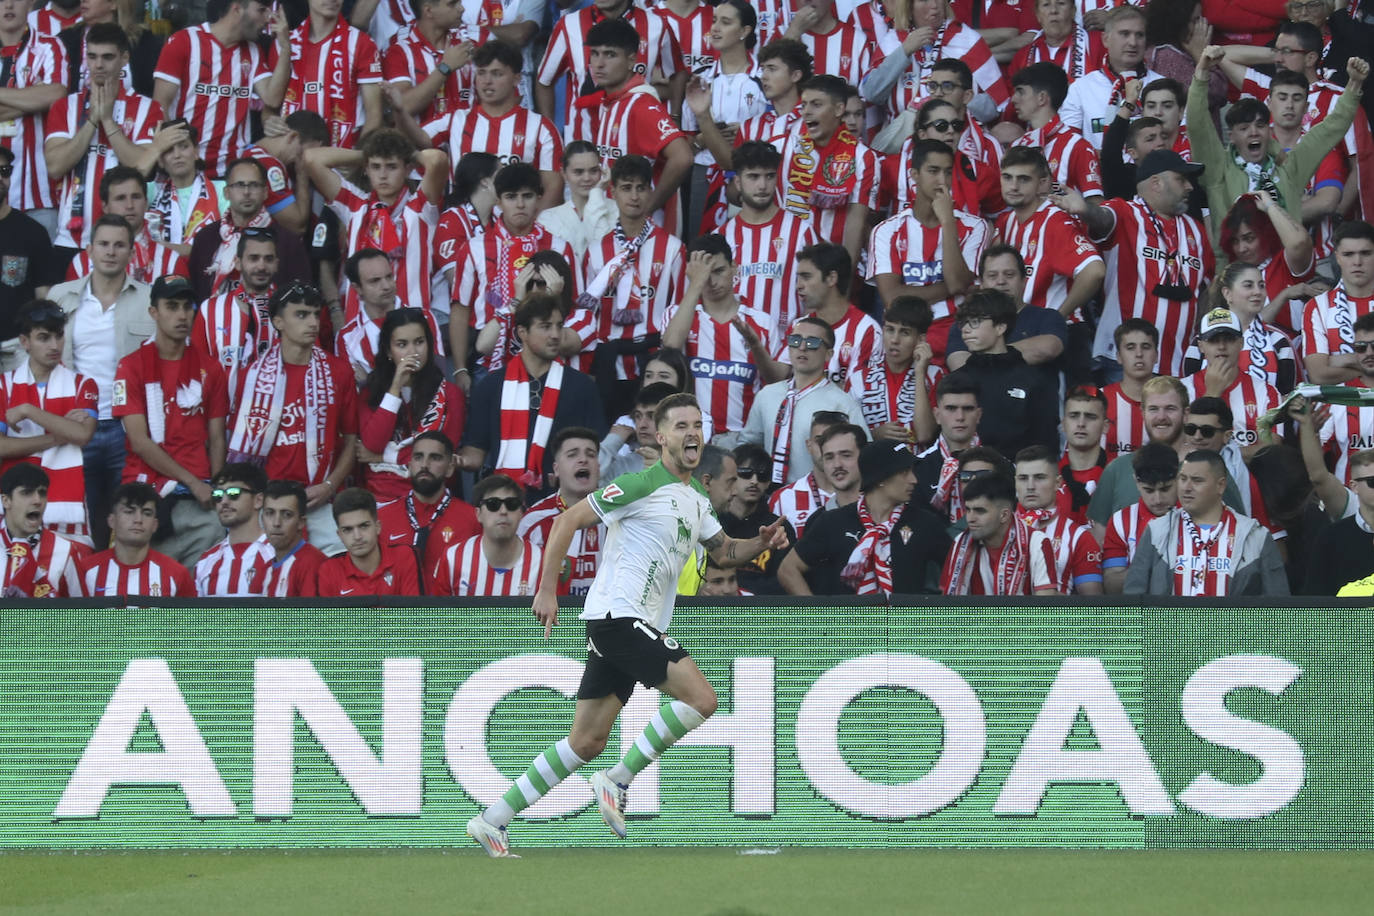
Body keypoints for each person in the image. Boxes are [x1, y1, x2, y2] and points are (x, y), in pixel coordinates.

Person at [465, 393, 788, 858]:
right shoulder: (639, 484)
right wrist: (548, 590)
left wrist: (759, 540)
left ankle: (492, 818)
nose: (692, 432)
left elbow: (722, 552)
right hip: (618, 617)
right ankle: (618, 778)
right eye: (680, 426)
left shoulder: (696, 499)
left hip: (627, 625)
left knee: (587, 740)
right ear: (661, 437)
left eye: (697, 424)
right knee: (703, 698)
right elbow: (567, 522)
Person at [1054, 150, 1214, 379]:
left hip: (1179, 364)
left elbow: (1206, 289)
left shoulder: (1195, 230)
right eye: (1181, 179)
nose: (1189, 187)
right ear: (1156, 183)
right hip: (1121, 362)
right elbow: (1103, 219)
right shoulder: (1126, 212)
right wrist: (1085, 210)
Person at [227, 282, 357, 556]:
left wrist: (329, 486)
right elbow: (239, 452)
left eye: (314, 314)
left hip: (318, 502)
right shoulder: (252, 376)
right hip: (268, 505)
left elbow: (351, 439)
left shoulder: (339, 372)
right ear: (278, 321)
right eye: (301, 315)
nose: (312, 322)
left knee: (335, 579)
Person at [48, 214, 154, 549]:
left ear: (131, 251)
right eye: (104, 245)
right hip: (77, 425)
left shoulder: (149, 299)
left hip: (129, 428)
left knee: (128, 522)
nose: (111, 252)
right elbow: (42, 361)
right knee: (81, 523)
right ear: (90, 250)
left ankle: (123, 596)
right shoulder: (60, 296)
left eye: (119, 245)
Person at [1188, 47, 1368, 240]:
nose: (1253, 132)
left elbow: (1332, 128)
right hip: (1231, 267)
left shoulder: (1292, 166)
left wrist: (1354, 84)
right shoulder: (1219, 167)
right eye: (1244, 128)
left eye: (1259, 125)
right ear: (1231, 135)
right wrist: (1201, 74)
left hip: (1285, 262)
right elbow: (1198, 126)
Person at [113, 274, 230, 567]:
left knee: (199, 600)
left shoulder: (211, 368)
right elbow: (139, 442)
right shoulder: (130, 366)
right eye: (172, 306)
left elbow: (217, 437)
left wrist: (215, 490)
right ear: (153, 312)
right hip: (147, 496)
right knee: (142, 596)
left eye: (187, 307)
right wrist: (191, 482)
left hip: (199, 502)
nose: (181, 315)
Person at [45, 23, 172, 260]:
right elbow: (55, 166)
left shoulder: (148, 109)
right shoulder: (65, 106)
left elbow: (139, 169)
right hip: (71, 239)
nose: (98, 65)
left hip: (124, 243)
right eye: (92, 57)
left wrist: (107, 121)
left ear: (124, 58)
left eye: (107, 57)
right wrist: (92, 120)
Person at [571, 156, 686, 417]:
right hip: (608, 364)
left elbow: (678, 309)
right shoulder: (597, 251)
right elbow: (587, 315)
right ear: (612, 192)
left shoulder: (672, 249)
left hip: (654, 362)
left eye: (641, 188)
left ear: (650, 191)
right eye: (626, 187)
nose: (634, 196)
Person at [460, 293, 606, 486]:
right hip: (507, 504)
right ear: (522, 332)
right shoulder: (491, 386)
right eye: (545, 326)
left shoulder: (582, 386)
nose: (556, 335)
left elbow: (597, 450)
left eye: (559, 326)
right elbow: (475, 453)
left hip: (563, 503)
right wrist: (452, 460)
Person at [449, 162, 577, 380]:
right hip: (488, 362)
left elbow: (573, 308)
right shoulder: (473, 248)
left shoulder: (560, 247)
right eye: (510, 197)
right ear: (498, 201)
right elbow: (460, 312)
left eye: (527, 196)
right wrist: (460, 369)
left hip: (547, 361)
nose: (520, 204)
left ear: (539, 198)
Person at [780, 438, 949, 596]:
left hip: (904, 626)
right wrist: (819, 619)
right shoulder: (832, 522)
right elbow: (788, 569)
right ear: (881, 477)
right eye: (905, 472)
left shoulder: (925, 523)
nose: (914, 480)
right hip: (849, 626)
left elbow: (957, 567)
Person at [306, 129, 448, 317]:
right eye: (375, 166)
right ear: (366, 169)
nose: (382, 175)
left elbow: (437, 160)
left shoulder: (420, 207)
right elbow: (311, 159)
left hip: (411, 325)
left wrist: (405, 151)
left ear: (407, 169)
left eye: (391, 166)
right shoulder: (356, 206)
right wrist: (367, 153)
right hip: (361, 327)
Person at [866, 139, 985, 360]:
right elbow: (893, 298)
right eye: (933, 171)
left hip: (957, 333)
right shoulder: (886, 231)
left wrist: (948, 222)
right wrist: (951, 288)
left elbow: (958, 282)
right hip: (906, 336)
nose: (942, 181)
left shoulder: (974, 226)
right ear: (914, 175)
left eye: (948, 172)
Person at [719, 315, 866, 485]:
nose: (802, 347)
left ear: (829, 354)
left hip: (817, 498)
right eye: (795, 340)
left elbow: (861, 454)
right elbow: (748, 446)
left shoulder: (842, 403)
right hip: (767, 497)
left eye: (812, 343)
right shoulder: (767, 395)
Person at [662, 237, 786, 436]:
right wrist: (695, 284)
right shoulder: (677, 314)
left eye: (718, 271)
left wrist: (754, 343)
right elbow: (670, 347)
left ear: (734, 268)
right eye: (704, 275)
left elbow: (777, 383)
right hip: (690, 437)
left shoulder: (762, 322)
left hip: (743, 438)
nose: (711, 282)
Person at [153, 0, 291, 176]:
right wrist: (173, 156)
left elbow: (272, 98)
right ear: (237, 8)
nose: (267, 19)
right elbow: (160, 105)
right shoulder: (184, 41)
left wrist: (286, 48)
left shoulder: (253, 51)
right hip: (186, 170)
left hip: (231, 172)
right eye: (261, 10)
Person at [418, 39, 562, 208]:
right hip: (464, 228)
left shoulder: (541, 128)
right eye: (481, 72)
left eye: (496, 74)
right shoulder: (454, 120)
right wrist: (400, 111)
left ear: (517, 79)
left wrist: (525, 230)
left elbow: (553, 188)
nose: (487, 81)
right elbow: (415, 140)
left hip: (515, 230)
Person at [1123, 450, 1288, 596]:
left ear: (1220, 485)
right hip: (1172, 631)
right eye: (1183, 479)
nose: (1186, 487)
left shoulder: (1254, 536)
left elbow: (1277, 605)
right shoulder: (1157, 531)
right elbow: (1134, 597)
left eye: (1197, 480)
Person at [580, 19, 693, 231]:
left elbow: (683, 157)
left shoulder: (641, 104)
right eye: (595, 54)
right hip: (614, 225)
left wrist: (646, 208)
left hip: (642, 233)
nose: (599, 63)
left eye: (610, 54)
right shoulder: (612, 101)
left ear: (632, 60)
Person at [0, 300, 97, 544]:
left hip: (67, 512)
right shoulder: (3, 385)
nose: (55, 345)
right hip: (13, 509)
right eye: (44, 338)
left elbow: (83, 435)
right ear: (25, 342)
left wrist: (28, 410)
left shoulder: (84, 384)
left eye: (59, 336)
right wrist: (60, 433)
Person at [678, 0, 767, 237]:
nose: (715, 28)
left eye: (725, 22)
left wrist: (748, 133)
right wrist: (703, 138)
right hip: (703, 175)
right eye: (714, 20)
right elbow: (684, 144)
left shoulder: (764, 79)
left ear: (744, 31)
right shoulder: (699, 79)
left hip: (750, 178)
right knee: (701, 246)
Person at [989, 146, 1106, 325]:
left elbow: (1094, 271)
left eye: (1024, 179)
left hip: (1060, 335)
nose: (1013, 186)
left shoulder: (1054, 221)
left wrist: (1058, 317)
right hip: (1020, 328)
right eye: (1007, 177)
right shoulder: (1006, 220)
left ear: (1043, 183)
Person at [773, 74, 880, 266]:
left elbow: (855, 227)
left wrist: (843, 284)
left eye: (816, 104)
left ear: (839, 109)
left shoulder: (863, 157)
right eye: (804, 104)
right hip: (780, 263)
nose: (806, 111)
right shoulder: (782, 146)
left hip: (830, 271)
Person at [359, 310, 465, 502]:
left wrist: (385, 457)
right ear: (388, 351)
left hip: (429, 496)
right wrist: (395, 388)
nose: (413, 352)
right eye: (402, 344)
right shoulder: (370, 392)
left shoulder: (450, 394)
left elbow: (440, 453)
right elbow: (373, 443)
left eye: (419, 342)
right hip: (380, 496)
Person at [534, 0, 681, 137]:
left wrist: (674, 117)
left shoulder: (656, 25)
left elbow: (678, 72)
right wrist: (551, 134)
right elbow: (544, 81)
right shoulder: (569, 24)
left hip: (635, 140)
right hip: (582, 144)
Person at [716, 140, 819, 336]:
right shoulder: (720, 237)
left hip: (784, 350)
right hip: (732, 351)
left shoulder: (801, 232)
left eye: (769, 176)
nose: (762, 185)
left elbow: (817, 298)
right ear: (737, 182)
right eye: (753, 177)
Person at [944, 289, 1059, 460]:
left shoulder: (1034, 380)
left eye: (975, 321)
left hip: (1019, 478)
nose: (966, 330)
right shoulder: (955, 382)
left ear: (1000, 327)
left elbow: (1046, 445)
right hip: (965, 476)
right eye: (964, 322)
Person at [860, 0, 1010, 124]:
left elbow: (995, 108)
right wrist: (904, 51)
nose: (934, 5)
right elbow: (871, 93)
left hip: (959, 140)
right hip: (904, 145)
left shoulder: (968, 40)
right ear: (908, 6)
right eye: (924, 0)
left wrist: (958, 98)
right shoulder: (893, 41)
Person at [188, 157, 314, 303]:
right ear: (226, 192)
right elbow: (195, 295)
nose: (247, 192)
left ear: (265, 192)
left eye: (254, 185)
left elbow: (301, 298)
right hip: (213, 322)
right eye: (240, 185)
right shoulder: (205, 238)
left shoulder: (288, 243)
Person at [944, 244, 1069, 382]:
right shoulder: (964, 324)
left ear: (1024, 281)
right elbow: (960, 366)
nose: (1001, 281)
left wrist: (985, 355)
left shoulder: (1047, 317)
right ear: (981, 284)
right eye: (992, 276)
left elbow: (1048, 348)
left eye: (1009, 275)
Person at [1289, 395, 1374, 594]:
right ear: (1354, 487)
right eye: (1372, 482)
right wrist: (1306, 426)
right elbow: (1318, 476)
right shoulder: (1347, 510)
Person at [1211, 190, 1318, 341]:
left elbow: (1299, 242)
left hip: (1291, 358)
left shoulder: (1285, 264)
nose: (1242, 248)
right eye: (1235, 241)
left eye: (1249, 238)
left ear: (1266, 233)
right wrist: (1283, 296)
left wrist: (1271, 206)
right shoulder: (1229, 276)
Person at [277, 0, 383, 149]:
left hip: (343, 159)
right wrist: (269, 121)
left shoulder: (362, 43)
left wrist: (355, 161)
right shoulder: (286, 44)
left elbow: (374, 116)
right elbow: (270, 106)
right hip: (290, 158)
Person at [0, 5, 67, 240]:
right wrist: (31, 98)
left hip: (39, 199)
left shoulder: (50, 46)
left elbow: (57, 95)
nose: (8, 5)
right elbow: (45, 96)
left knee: (42, 276)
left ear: (29, 3)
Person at [193, 226, 280, 402]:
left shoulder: (290, 309)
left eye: (268, 259)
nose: (261, 266)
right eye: (253, 258)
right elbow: (196, 368)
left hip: (275, 420)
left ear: (276, 264)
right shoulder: (210, 309)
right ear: (238, 263)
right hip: (223, 421)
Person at [1059, 4, 1164, 150]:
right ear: (1106, 39)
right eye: (1124, 34)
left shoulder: (1163, 86)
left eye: (1139, 35)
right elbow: (1069, 146)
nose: (1133, 43)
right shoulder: (1081, 89)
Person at [376, 431, 480, 576]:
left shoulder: (473, 519)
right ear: (410, 465)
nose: (424, 465)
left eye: (435, 458)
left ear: (450, 468)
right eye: (418, 457)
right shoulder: (382, 518)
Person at [64, 166, 189, 284]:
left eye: (136, 197)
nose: (129, 205)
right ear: (105, 207)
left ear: (145, 203)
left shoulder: (170, 262)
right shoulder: (81, 263)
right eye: (120, 198)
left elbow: (181, 306)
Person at [519, 427, 604, 596]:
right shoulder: (533, 520)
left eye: (591, 454)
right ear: (556, 470)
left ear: (598, 467)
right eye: (572, 455)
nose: (583, 460)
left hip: (605, 617)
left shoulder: (616, 515)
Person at [941, 471, 1058, 595]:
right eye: (968, 510)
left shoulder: (1037, 543)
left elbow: (1045, 607)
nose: (970, 518)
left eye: (979, 511)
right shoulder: (960, 543)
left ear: (1004, 515)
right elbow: (947, 602)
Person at [1179, 308, 1282, 449]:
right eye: (1213, 340)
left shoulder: (1266, 391)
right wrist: (1212, 394)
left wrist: (1227, 457)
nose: (1221, 347)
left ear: (1241, 343)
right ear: (1201, 346)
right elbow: (1180, 447)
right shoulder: (1180, 390)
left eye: (1228, 339)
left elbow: (1271, 448)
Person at [428, 474, 542, 596]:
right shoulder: (453, 558)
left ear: (521, 513)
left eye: (512, 504)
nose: (503, 511)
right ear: (478, 514)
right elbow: (439, 614)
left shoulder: (542, 562)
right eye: (493, 504)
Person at [74, 482, 194, 597]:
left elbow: (187, 618)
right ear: (112, 521)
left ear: (155, 525)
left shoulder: (177, 574)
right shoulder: (85, 571)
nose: (138, 519)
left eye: (146, 513)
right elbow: (70, 617)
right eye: (129, 511)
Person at [848, 296, 938, 446]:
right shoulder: (858, 380)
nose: (894, 340)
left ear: (921, 340)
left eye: (905, 332)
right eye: (890, 330)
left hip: (919, 466)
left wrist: (920, 372)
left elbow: (924, 434)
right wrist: (872, 435)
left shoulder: (934, 375)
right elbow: (845, 437)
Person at [1014, 445, 1103, 594]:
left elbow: (1092, 605)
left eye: (1039, 477)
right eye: (1023, 478)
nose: (1030, 486)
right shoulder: (998, 528)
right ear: (1015, 482)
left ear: (1057, 483)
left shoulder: (1079, 537)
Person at [791, 242, 880, 390]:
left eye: (806, 277)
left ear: (832, 278)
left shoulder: (867, 330)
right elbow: (778, 378)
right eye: (798, 278)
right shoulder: (798, 326)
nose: (798, 285)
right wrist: (755, 345)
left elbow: (859, 393)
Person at [0, 146, 58, 372]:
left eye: (4, 171)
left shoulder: (33, 232)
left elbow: (44, 297)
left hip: (19, 348)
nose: (0, 177)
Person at [1008, 63, 1104, 199]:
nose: (1013, 99)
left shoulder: (1078, 147)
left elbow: (1096, 205)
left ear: (1042, 98)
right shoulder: (1017, 146)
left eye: (1021, 92)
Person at [1100, 443, 1180, 594]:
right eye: (1149, 490)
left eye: (1165, 489)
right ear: (1136, 482)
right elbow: (1111, 584)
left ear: (1179, 478)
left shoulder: (1195, 516)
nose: (1158, 499)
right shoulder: (1120, 522)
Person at [1302, 221, 1374, 385]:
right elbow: (1318, 375)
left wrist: (1341, 360)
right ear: (1337, 258)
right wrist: (1367, 365)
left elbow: (1325, 368)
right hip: (1338, 410)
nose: (1357, 261)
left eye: (1366, 253)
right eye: (1348, 254)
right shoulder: (1317, 307)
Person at [382, 0, 476, 124]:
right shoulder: (398, 52)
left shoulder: (470, 46)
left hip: (465, 142)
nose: (462, 9)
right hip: (417, 142)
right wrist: (445, 68)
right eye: (452, 4)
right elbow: (401, 107)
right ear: (428, 11)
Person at [0, 463, 86, 597]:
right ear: (6, 501)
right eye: (27, 493)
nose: (37, 500)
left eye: (42, 493)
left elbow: (81, 615)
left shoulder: (65, 550)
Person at [317, 487, 422, 596]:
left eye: (364, 526)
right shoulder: (329, 570)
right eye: (348, 530)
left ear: (378, 527)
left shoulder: (404, 557)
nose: (357, 536)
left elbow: (413, 612)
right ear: (340, 535)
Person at [194, 463, 274, 597]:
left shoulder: (279, 555)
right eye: (218, 495)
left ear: (258, 500)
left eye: (233, 493)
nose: (224, 501)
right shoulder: (205, 561)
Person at [766, 409, 849, 536]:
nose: (827, 448)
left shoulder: (867, 495)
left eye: (836, 441)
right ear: (808, 445)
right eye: (820, 440)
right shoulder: (783, 499)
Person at [913, 375, 981, 523]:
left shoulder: (1000, 466)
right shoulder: (916, 468)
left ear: (979, 415)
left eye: (967, 409)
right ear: (937, 415)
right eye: (951, 409)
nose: (960, 417)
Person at [537, 141, 618, 259]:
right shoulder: (547, 218)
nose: (587, 178)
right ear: (564, 174)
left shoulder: (617, 210)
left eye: (593, 171)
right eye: (578, 172)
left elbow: (603, 256)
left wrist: (597, 193)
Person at [259, 479, 326, 597]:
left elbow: (311, 615)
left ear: (301, 522)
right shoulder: (265, 568)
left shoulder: (313, 564)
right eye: (270, 513)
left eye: (287, 514)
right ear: (262, 518)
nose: (276, 523)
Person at [1102, 319, 1158, 458]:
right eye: (1130, 347)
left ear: (1156, 355)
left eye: (1145, 346)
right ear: (1119, 357)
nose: (1139, 354)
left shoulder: (1173, 401)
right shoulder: (1099, 399)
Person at [1059, 386, 1109, 525]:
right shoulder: (1047, 477)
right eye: (1074, 416)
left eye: (1090, 417)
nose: (1081, 424)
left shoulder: (1119, 477)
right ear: (1063, 424)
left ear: (1105, 426)